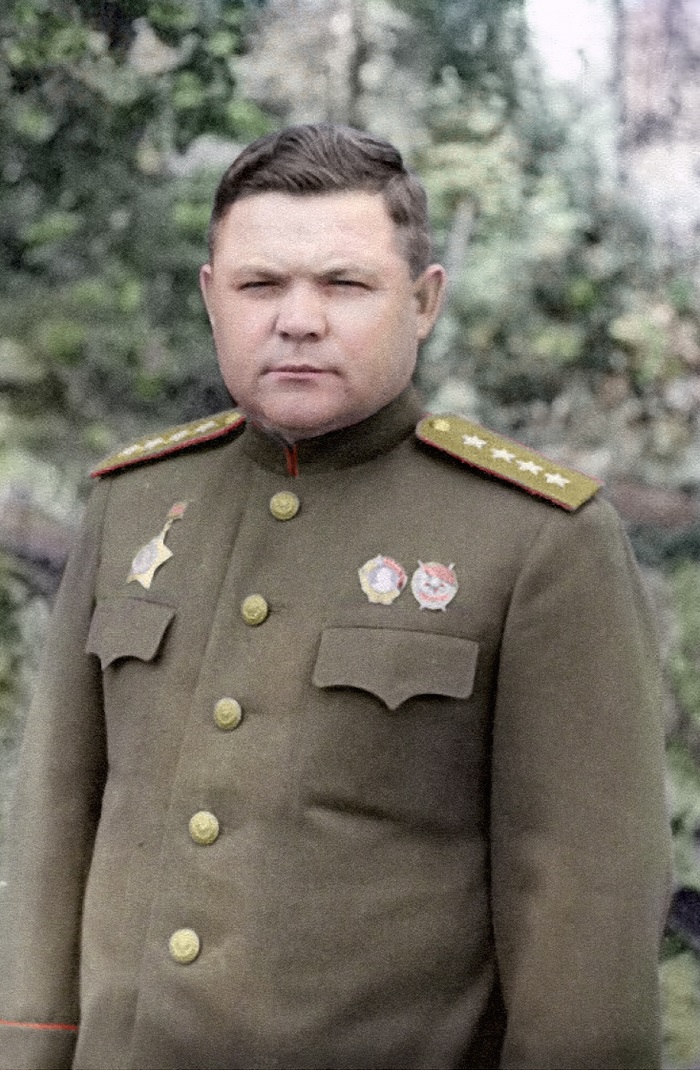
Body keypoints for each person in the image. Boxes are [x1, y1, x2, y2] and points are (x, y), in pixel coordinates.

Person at [0, 123, 671, 1070]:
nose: (298, 319)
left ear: (424, 301)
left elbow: (581, 896)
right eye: (260, 285)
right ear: (211, 297)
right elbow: (57, 816)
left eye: (344, 284)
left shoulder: (539, 541)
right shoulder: (136, 503)